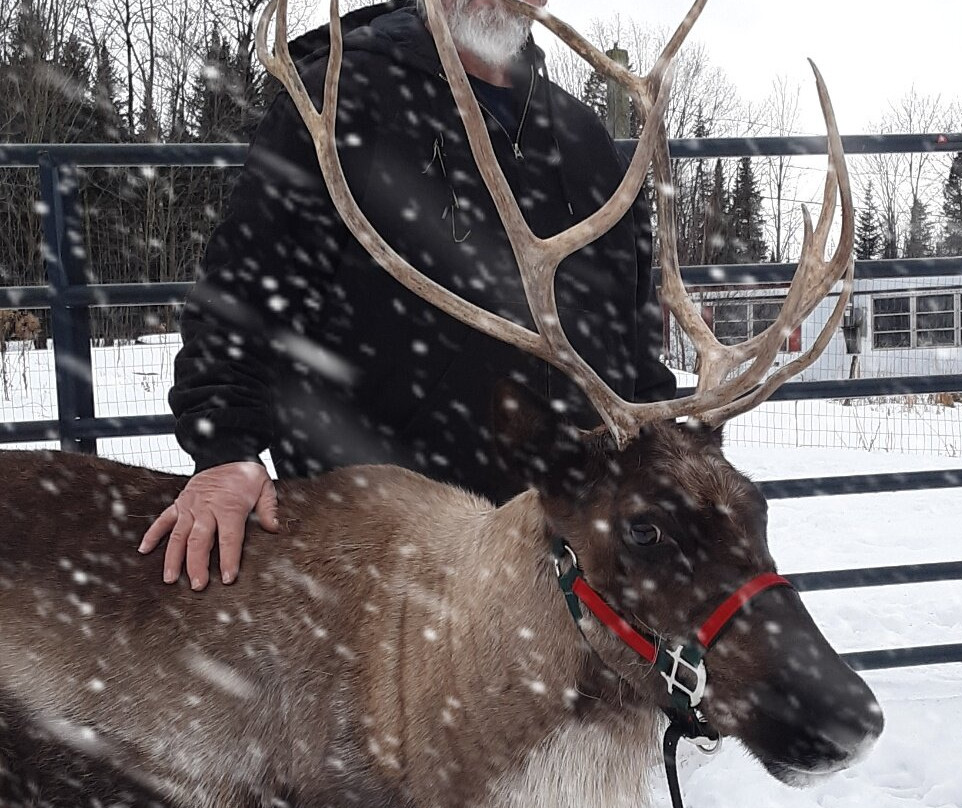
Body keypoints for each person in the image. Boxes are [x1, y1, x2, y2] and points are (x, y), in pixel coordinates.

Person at [139, 0, 676, 590]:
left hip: (562, 553)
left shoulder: (584, 140)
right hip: (384, 547)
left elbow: (631, 336)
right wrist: (224, 450)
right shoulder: (342, 98)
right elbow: (245, 287)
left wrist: (663, 453)